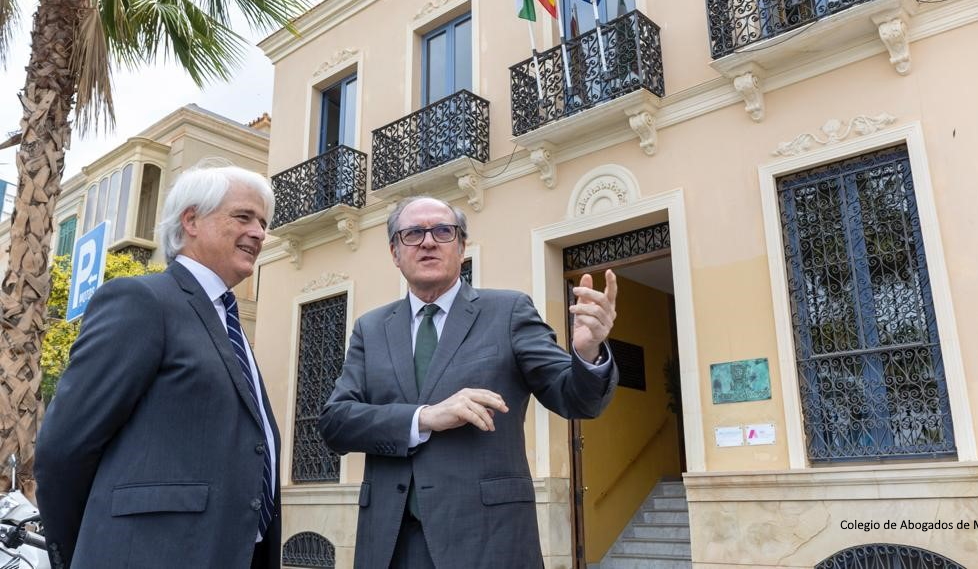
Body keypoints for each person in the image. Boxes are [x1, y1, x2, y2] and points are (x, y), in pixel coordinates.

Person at [319, 196, 619, 568]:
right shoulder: (371, 328)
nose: (428, 241)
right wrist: (424, 418)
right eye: (413, 233)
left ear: (461, 247)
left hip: (488, 541)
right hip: (391, 544)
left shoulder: (508, 311)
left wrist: (588, 353)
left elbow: (574, 398)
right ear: (395, 252)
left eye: (443, 231)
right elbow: (336, 422)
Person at [35, 164, 281, 569]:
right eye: (243, 216)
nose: (259, 232)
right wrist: (91, 549)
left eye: (263, 222)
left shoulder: (228, 321)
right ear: (191, 220)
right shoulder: (141, 300)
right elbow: (65, 448)